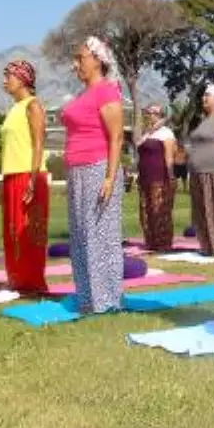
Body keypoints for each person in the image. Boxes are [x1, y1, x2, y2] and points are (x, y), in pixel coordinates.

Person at [61, 37, 126, 314]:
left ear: (98, 60)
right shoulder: (81, 95)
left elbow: (117, 137)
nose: (76, 64)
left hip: (98, 168)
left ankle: (107, 300)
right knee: (81, 236)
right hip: (77, 171)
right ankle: (87, 298)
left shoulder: (107, 91)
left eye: (81, 58)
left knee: (100, 235)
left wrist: (110, 177)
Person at [0, 60, 50, 294]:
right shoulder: (13, 108)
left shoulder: (33, 106)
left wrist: (32, 178)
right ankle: (17, 279)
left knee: (28, 231)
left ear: (21, 79)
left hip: (29, 175)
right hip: (11, 175)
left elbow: (39, 144)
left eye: (8, 76)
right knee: (11, 230)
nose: (4, 81)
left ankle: (33, 282)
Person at [187, 84, 214, 256]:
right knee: (201, 211)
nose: (203, 98)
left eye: (207, 95)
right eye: (203, 95)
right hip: (198, 172)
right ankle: (207, 246)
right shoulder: (204, 120)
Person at [136, 103, 177, 252]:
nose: (150, 116)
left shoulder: (166, 133)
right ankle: (150, 241)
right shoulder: (146, 133)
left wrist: (171, 176)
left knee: (159, 209)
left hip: (160, 176)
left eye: (153, 113)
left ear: (159, 115)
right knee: (145, 210)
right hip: (144, 177)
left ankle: (163, 242)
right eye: (148, 113)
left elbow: (169, 155)